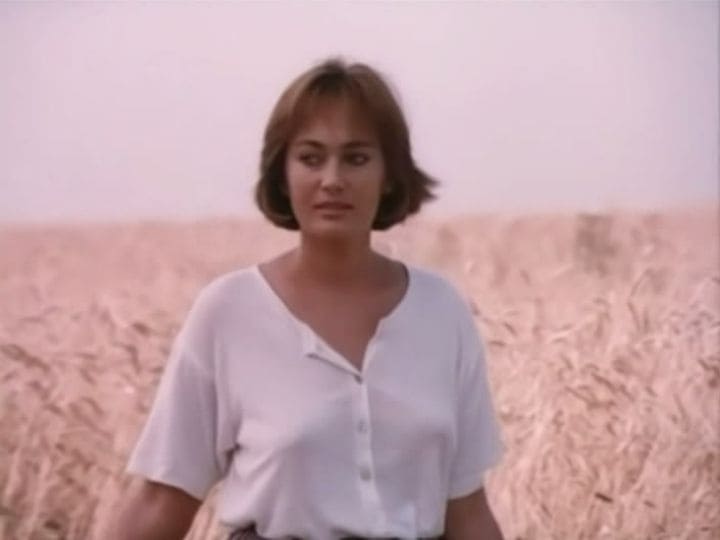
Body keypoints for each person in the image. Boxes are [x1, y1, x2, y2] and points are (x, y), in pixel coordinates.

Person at [110, 58, 505, 540]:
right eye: (311, 158)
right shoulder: (228, 312)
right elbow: (160, 503)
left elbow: (467, 511)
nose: (332, 180)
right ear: (282, 174)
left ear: (389, 175)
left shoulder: (440, 312)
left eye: (356, 158)